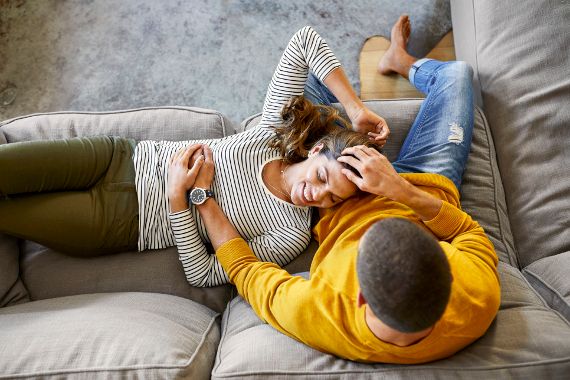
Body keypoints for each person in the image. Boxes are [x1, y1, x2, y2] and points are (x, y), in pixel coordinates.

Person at [188, 15, 501, 363]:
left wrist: (201, 199)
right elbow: (465, 229)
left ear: (362, 298)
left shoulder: (324, 312)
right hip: (419, 186)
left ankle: (362, 105)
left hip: (344, 199)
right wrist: (397, 188)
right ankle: (400, 61)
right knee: (457, 76)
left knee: (300, 105)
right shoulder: (477, 295)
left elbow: (246, 271)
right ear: (446, 268)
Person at [0, 26, 389, 287]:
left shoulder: (289, 233)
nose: (317, 196)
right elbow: (305, 41)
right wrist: (355, 110)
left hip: (120, 221)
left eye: (332, 198)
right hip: (114, 157)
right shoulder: (270, 137)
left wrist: (184, 200)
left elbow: (203, 273)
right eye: (322, 179)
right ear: (317, 150)